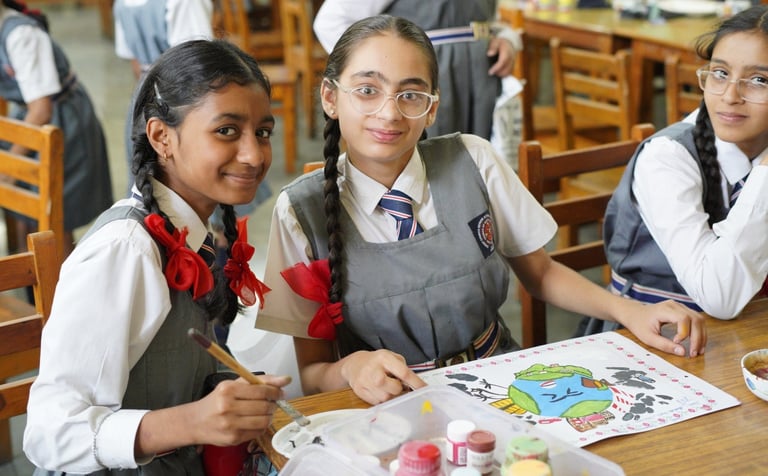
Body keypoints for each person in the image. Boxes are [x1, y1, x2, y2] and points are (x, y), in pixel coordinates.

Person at [254, 15, 707, 406]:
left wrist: (629, 311)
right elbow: (312, 373)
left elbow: (541, 274)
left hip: (500, 384)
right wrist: (351, 368)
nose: (389, 113)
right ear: (330, 98)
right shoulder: (301, 212)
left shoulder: (474, 159)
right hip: (385, 409)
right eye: (367, 90)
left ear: (432, 108)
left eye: (410, 94)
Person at [23, 39, 289, 474]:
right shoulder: (126, 250)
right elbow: (49, 433)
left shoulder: (194, 235)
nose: (254, 155)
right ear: (161, 136)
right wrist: (193, 421)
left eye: (262, 132)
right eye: (226, 130)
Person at [593, 5, 768, 333]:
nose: (730, 95)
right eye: (720, 73)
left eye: (759, 80)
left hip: (749, 333)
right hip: (657, 339)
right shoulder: (667, 158)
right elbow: (721, 298)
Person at [313, 0, 520, 142]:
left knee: (481, 160)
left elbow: (488, 19)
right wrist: (378, 70)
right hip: (424, 79)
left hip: (483, 77)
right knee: (432, 163)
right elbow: (331, 22)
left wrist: (506, 38)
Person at [0, 0, 112, 257]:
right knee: (27, 210)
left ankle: (59, 274)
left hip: (60, 121)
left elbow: (41, 110)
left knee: (54, 214)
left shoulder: (21, 35)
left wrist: (10, 167)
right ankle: (30, 267)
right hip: (28, 117)